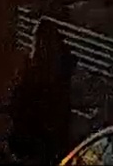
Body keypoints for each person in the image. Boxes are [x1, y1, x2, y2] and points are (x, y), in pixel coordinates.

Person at [6, 17, 75, 162]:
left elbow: (20, 100)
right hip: (50, 135)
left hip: (33, 133)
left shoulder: (33, 69)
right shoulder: (60, 72)